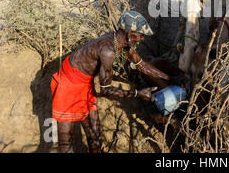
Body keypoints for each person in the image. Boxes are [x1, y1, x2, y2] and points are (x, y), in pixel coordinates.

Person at [50, 11, 170, 153]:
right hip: (68, 85)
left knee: (95, 135)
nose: (142, 39)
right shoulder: (107, 50)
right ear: (130, 33)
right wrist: (138, 93)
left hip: (85, 84)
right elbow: (106, 90)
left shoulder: (120, 42)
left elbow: (141, 65)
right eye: (141, 34)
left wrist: (168, 78)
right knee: (66, 142)